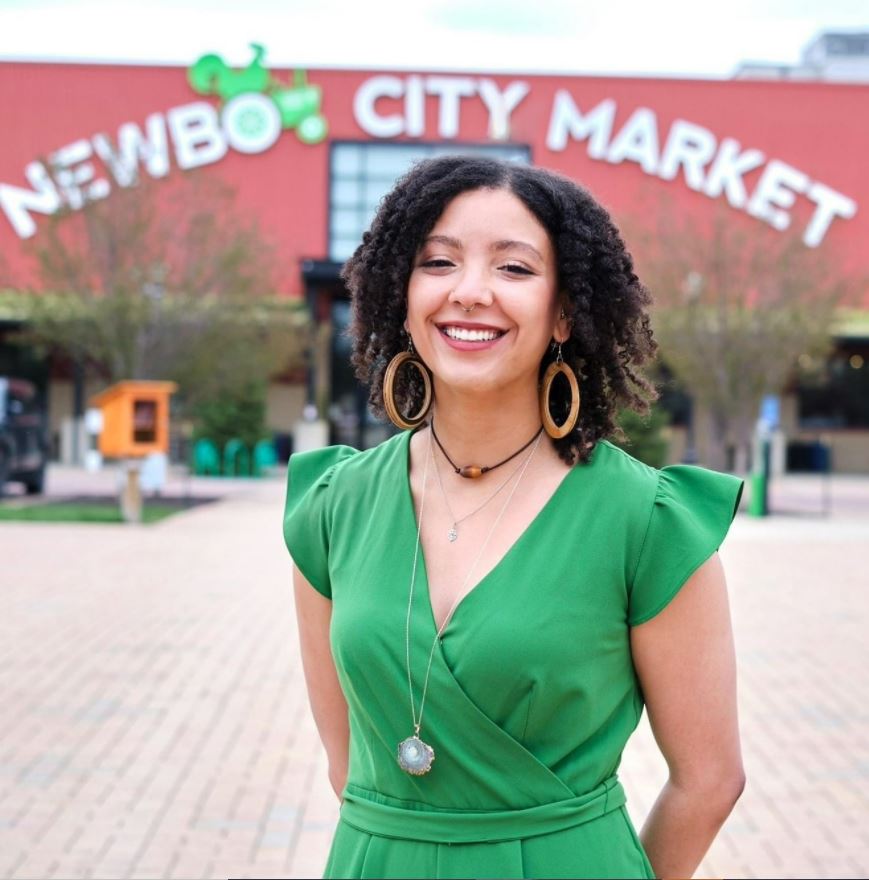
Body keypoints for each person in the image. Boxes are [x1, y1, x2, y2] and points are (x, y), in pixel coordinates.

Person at [284, 155, 745, 879]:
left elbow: (709, 780)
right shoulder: (331, 505)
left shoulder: (644, 520)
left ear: (564, 311)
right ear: (402, 295)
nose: (470, 292)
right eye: (438, 262)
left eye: (514, 269)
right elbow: (349, 768)